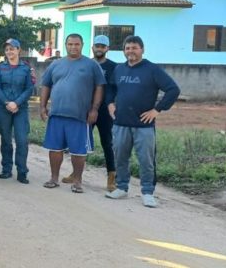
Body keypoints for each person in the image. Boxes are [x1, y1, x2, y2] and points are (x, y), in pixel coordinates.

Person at [105, 35, 180, 208]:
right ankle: (122, 187)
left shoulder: (152, 69)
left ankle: (147, 192)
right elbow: (110, 88)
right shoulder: (119, 69)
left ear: (142, 49)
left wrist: (157, 110)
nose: (130, 51)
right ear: (124, 51)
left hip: (143, 126)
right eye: (127, 48)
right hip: (120, 123)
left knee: (146, 160)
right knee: (120, 157)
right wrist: (110, 103)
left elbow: (173, 89)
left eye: (134, 48)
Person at [39, 34, 106, 193]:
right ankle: (54, 178)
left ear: (82, 45)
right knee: (55, 149)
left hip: (79, 116)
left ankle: (77, 181)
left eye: (76, 44)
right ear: (65, 45)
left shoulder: (91, 65)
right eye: (70, 44)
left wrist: (94, 109)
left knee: (78, 151)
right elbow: (46, 86)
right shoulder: (56, 64)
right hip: (56, 114)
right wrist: (42, 107)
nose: (73, 47)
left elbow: (99, 87)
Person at [63, 35, 117, 191]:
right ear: (92, 47)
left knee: (107, 143)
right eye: (97, 46)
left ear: (107, 48)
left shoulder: (114, 67)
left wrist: (114, 104)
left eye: (102, 46)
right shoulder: (86, 64)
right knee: (82, 143)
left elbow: (117, 88)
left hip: (105, 111)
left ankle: (111, 177)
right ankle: (76, 173)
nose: (99, 49)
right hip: (87, 109)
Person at [0, 38, 34, 184]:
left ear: (18, 50)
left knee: (22, 140)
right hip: (3, 108)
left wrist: (17, 103)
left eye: (12, 48)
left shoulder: (26, 68)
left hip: (20, 109)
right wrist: (7, 102)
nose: (10, 51)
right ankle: (6, 169)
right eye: (7, 49)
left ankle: (22, 171)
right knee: (6, 140)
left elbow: (29, 88)